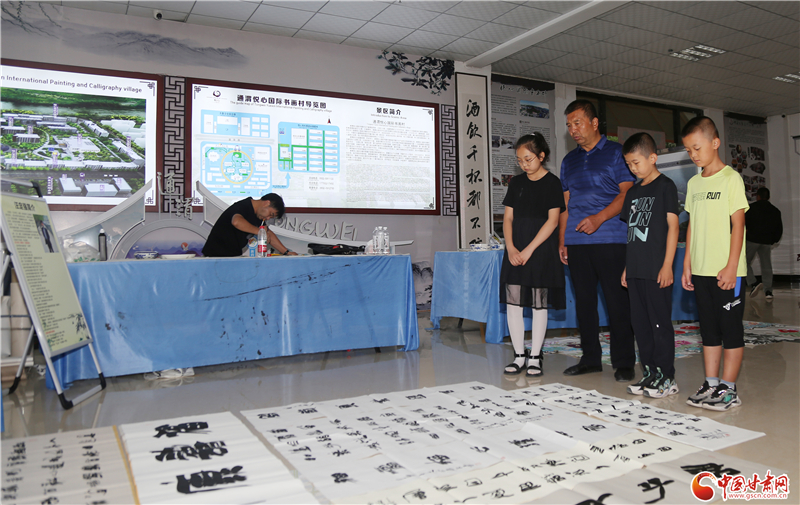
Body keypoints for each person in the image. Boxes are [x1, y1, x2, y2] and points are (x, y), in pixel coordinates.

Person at [559, 100, 637, 381]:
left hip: (611, 240)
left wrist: (599, 218)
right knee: (584, 304)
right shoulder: (569, 161)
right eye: (569, 125)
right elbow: (566, 205)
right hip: (577, 243)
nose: (573, 130)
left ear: (594, 123)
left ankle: (624, 361)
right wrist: (563, 240)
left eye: (577, 123)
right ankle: (590, 358)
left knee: (617, 303)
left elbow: (626, 194)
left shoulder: (617, 153)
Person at [681, 116, 748, 411]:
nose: (693, 155)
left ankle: (729, 389)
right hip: (701, 270)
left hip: (727, 272)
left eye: (697, 148)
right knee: (708, 330)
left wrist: (732, 266)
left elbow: (739, 225)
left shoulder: (731, 179)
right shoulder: (694, 183)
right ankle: (711, 384)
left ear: (715, 143)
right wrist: (687, 264)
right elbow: (692, 226)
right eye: (689, 150)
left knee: (730, 330)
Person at [620, 133, 680, 398]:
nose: (633, 168)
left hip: (657, 269)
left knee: (659, 323)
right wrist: (626, 266)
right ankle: (650, 372)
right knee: (640, 324)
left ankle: (667, 377)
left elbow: (673, 227)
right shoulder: (633, 192)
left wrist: (667, 265)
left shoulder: (666, 186)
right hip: (635, 269)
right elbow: (631, 233)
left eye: (636, 163)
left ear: (652, 158)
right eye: (629, 164)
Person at [501, 133, 565, 377]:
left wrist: (529, 249)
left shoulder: (552, 183)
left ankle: (535, 356)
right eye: (519, 160)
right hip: (515, 249)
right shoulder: (516, 183)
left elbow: (552, 221)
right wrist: (511, 247)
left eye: (528, 159)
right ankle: (519, 355)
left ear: (541, 156)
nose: (524, 164)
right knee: (513, 302)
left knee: (539, 303)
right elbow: (508, 218)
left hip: (540, 250)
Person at [202, 193, 297, 257]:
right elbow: (236, 222)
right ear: (266, 203)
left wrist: (287, 252)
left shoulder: (259, 215)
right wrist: (259, 232)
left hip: (232, 256)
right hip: (215, 255)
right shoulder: (243, 206)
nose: (268, 218)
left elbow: (268, 234)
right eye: (270, 214)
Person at [745, 187, 782, 301]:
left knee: (743, 262)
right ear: (768, 197)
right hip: (766, 242)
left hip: (752, 240)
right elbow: (779, 229)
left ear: (758, 196)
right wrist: (773, 240)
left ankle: (754, 282)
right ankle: (768, 291)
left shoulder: (751, 208)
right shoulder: (775, 211)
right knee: (766, 266)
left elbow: (743, 224)